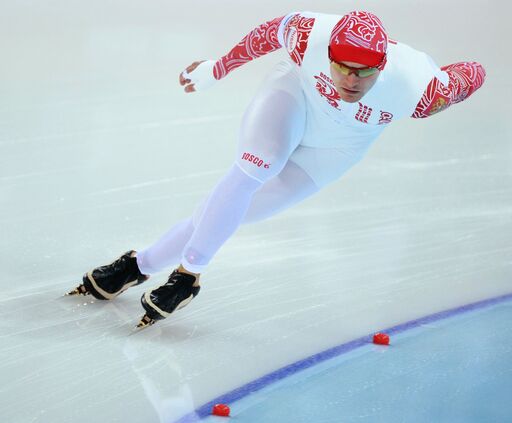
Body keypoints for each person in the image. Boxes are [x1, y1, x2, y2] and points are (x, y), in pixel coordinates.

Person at [67, 11, 486, 328]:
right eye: (341, 67)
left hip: (337, 148)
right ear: (327, 54)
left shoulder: (421, 90)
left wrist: (460, 73)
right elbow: (264, 37)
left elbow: (473, 74)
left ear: (383, 65)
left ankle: (137, 266)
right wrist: (216, 69)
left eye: (365, 72)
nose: (352, 81)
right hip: (294, 98)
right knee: (253, 168)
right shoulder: (309, 35)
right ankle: (188, 277)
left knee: (229, 213)